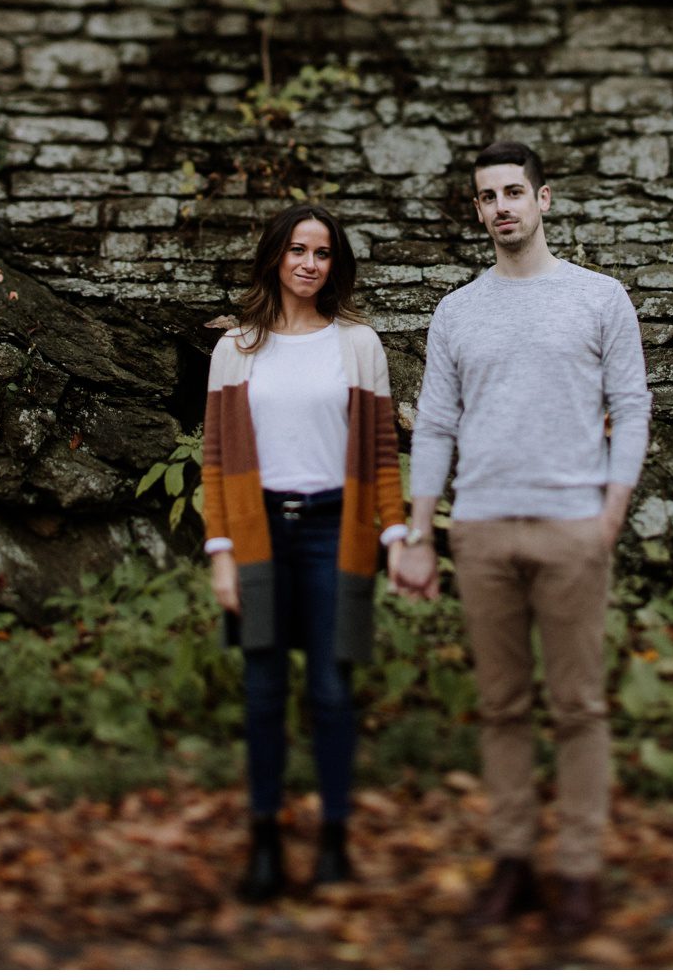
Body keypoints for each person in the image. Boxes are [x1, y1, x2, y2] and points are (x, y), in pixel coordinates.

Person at [389, 139, 652, 941]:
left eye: (514, 192)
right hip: (481, 529)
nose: (501, 206)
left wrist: (611, 512)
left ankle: (575, 870)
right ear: (477, 211)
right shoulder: (458, 310)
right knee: (502, 707)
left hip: (574, 526)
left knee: (577, 705)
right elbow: (434, 424)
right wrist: (421, 532)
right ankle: (511, 864)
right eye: (486, 197)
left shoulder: (599, 298)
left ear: (545, 200)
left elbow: (632, 406)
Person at [200, 203, 409, 903]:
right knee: (263, 691)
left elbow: (381, 452)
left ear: (334, 264)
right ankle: (263, 841)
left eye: (321, 253)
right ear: (274, 257)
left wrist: (395, 535)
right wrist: (222, 553)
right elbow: (217, 460)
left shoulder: (359, 345)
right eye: (297, 250)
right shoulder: (236, 350)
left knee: (330, 689)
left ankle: (334, 841)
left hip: (332, 533)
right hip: (260, 532)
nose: (309, 264)